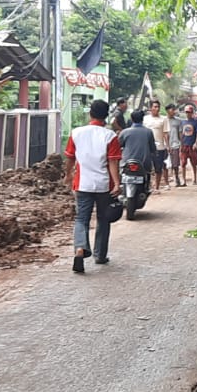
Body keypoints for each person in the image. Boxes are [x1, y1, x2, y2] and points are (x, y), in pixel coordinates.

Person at [64, 99, 120, 273]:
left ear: (90, 114)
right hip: (103, 185)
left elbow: (70, 158)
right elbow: (113, 163)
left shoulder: (76, 133)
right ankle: (100, 255)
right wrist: (117, 183)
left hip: (82, 183)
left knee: (82, 218)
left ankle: (80, 249)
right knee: (103, 219)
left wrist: (68, 174)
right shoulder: (110, 136)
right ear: (106, 115)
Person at [143, 99, 172, 192]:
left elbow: (165, 133)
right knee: (146, 168)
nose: (157, 108)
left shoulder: (164, 119)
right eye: (155, 107)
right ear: (150, 108)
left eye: (158, 107)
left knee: (158, 168)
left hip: (159, 147)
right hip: (147, 147)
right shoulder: (145, 119)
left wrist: (168, 146)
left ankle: (157, 187)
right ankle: (147, 187)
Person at [179, 103, 197, 186]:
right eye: (186, 112)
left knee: (194, 163)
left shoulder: (196, 122)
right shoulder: (182, 122)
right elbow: (181, 133)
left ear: (192, 112)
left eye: (189, 112)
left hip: (192, 145)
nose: (188, 114)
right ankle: (183, 180)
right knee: (183, 163)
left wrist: (196, 143)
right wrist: (181, 144)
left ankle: (195, 179)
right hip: (184, 145)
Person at [165, 103, 187, 187]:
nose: (174, 111)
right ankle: (167, 181)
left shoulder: (178, 121)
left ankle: (177, 178)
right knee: (164, 164)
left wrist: (181, 143)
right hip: (164, 144)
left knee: (175, 163)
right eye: (172, 109)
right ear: (167, 110)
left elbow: (180, 133)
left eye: (174, 109)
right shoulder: (163, 120)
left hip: (175, 144)